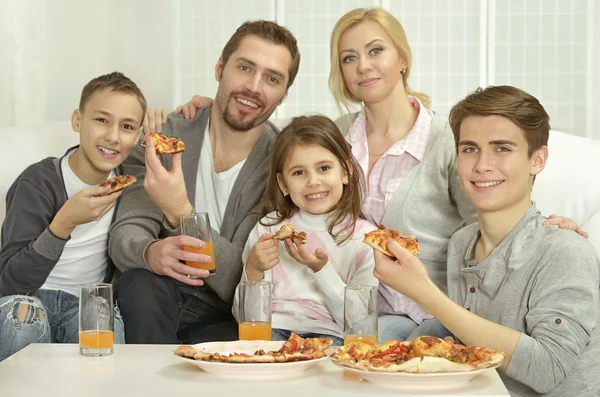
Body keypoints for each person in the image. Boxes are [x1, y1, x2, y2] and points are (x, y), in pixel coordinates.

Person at [149, 8, 584, 343]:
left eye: (376, 50)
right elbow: (287, 148)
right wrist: (214, 106)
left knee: (363, 351)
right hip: (339, 300)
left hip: (416, 307)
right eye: (349, 57)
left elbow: (490, 204)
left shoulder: (445, 140)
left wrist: (540, 225)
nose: (363, 66)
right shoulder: (336, 135)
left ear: (402, 59)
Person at [372, 85, 600, 396]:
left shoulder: (566, 251)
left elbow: (549, 369)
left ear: (537, 160)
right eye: (469, 149)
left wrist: (426, 295)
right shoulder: (462, 244)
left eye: (502, 148)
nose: (481, 165)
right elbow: (477, 348)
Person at [108, 21, 301, 344]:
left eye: (271, 79)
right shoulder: (166, 135)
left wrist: (180, 212)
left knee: (245, 343)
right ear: (220, 67)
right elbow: (126, 233)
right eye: (244, 67)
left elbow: (240, 278)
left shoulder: (284, 168)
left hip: (224, 315)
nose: (254, 87)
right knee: (141, 284)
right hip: (154, 297)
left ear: (283, 95)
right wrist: (149, 252)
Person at [0, 72, 147, 361]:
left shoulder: (131, 186)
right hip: (29, 297)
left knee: (107, 324)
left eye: (127, 126)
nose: (113, 136)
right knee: (23, 316)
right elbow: (8, 283)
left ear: (138, 136)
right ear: (77, 121)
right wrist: (62, 224)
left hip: (85, 305)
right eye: (102, 120)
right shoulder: (38, 182)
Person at [232, 115, 378, 346]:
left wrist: (320, 269)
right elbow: (244, 317)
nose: (313, 181)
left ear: (346, 171)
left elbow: (358, 322)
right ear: (283, 184)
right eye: (299, 172)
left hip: (332, 335)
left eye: (324, 168)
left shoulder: (365, 240)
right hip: (274, 329)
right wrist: (254, 269)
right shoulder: (269, 228)